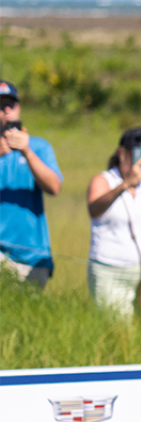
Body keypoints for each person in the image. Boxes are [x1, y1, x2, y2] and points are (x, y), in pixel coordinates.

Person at [85, 127, 141, 316]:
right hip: (110, 271)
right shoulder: (104, 180)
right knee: (114, 329)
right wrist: (124, 185)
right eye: (138, 154)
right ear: (122, 154)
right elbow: (94, 209)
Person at [0, 80, 63, 288]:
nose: (6, 110)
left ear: (19, 108)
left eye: (11, 104)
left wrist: (27, 152)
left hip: (33, 256)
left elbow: (54, 187)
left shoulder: (39, 146)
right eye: (1, 105)